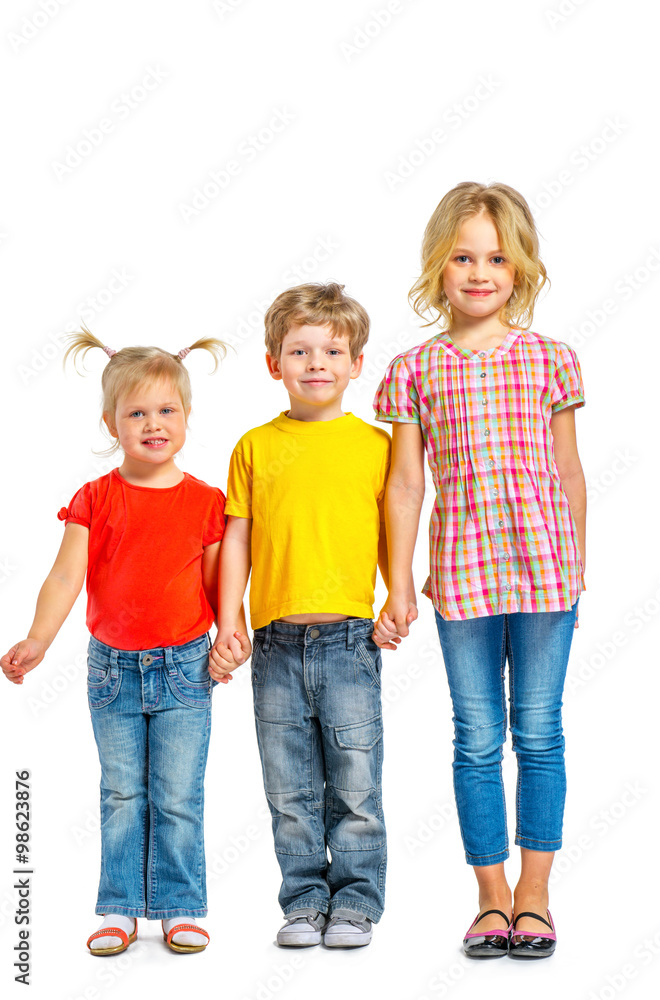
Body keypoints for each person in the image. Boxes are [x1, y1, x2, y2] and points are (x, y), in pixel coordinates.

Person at [373, 182, 586, 960]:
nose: (478, 271)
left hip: (544, 575)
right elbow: (404, 485)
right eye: (462, 256)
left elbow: (567, 472)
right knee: (474, 738)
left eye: (495, 257)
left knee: (538, 733)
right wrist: (398, 581)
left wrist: (577, 559)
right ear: (438, 265)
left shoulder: (550, 360)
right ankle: (489, 896)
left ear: (520, 267)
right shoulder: (413, 370)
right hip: (460, 577)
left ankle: (535, 892)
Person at [1, 329, 241, 956]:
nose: (153, 424)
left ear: (187, 417)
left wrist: (230, 638)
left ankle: (180, 906)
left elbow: (219, 584)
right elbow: (65, 577)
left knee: (179, 793)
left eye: (167, 411)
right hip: (112, 669)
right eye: (136, 412)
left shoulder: (206, 501)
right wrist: (37, 639)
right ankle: (119, 909)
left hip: (187, 666)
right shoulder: (96, 497)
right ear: (110, 420)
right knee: (122, 791)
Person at [209, 283, 395, 948]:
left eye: (331, 350)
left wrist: (397, 593)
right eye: (299, 350)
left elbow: (393, 529)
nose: (315, 362)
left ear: (355, 364)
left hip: (349, 638)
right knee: (289, 787)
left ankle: (356, 903)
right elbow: (235, 535)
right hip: (275, 642)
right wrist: (226, 614)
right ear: (273, 363)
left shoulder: (376, 445)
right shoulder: (255, 447)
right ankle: (303, 901)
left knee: (354, 780)